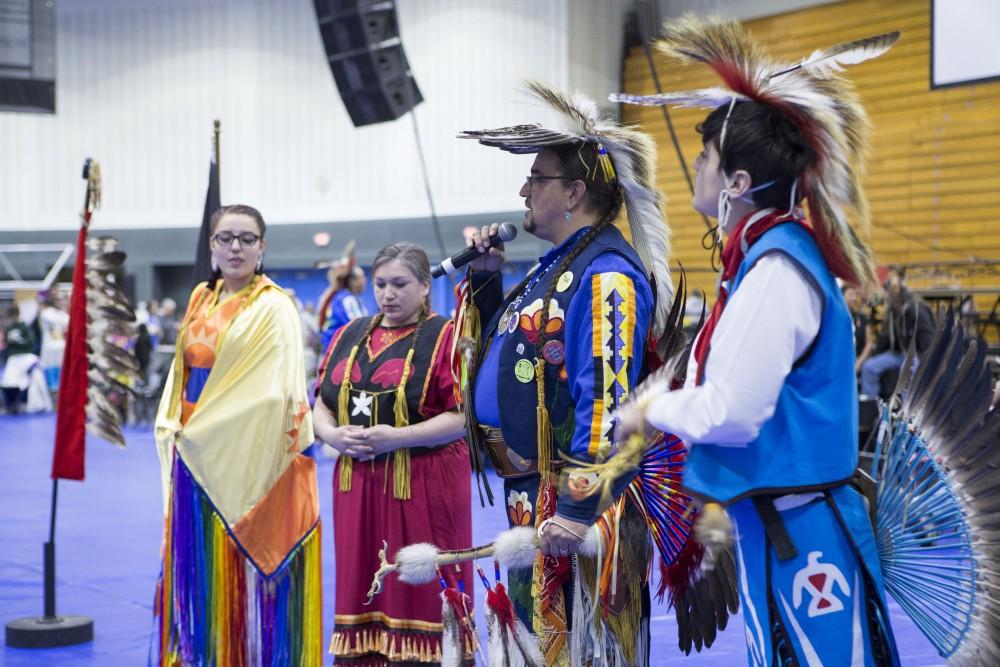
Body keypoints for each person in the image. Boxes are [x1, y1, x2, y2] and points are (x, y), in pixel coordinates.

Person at [612, 17, 900, 665]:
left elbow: (733, 413)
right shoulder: (761, 262)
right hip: (781, 527)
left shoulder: (775, 269)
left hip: (803, 531)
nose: (696, 166)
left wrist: (647, 410)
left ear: (738, 183)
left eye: (706, 157)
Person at [458, 82, 671, 665]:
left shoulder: (606, 275)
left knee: (575, 650)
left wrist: (579, 508)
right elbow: (515, 357)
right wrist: (485, 281)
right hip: (533, 497)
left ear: (575, 191)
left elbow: (607, 401)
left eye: (538, 178)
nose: (523, 189)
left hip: (573, 509)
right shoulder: (558, 269)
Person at [153, 204, 321, 664]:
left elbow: (278, 395)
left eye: (247, 238)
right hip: (192, 450)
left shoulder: (275, 307)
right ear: (211, 246)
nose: (235, 247)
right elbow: (181, 371)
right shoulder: (199, 299)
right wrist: (176, 426)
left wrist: (205, 434)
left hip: (240, 455)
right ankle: (198, 653)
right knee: (198, 572)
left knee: (242, 575)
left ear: (262, 247)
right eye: (226, 238)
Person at [313, 242, 472, 665]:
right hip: (358, 484)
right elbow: (321, 402)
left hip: (425, 481)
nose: (388, 294)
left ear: (424, 286)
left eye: (400, 284)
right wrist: (331, 435)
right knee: (364, 581)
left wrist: (398, 438)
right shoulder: (350, 334)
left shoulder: (445, 335)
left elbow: (461, 417)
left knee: (421, 587)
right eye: (381, 284)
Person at [860, 268, 934, 398]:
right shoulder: (893, 312)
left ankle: (906, 413)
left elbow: (927, 338)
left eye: (891, 292)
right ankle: (873, 410)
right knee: (869, 367)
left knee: (907, 369)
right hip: (899, 354)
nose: (887, 296)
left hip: (918, 354)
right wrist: (875, 354)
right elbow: (886, 338)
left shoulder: (916, 309)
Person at [319, 258, 369, 353]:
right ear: (353, 281)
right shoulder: (347, 300)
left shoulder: (344, 297)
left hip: (338, 351)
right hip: (339, 353)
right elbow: (360, 326)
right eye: (362, 277)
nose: (365, 280)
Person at [1, 305, 38, 414]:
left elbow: (31, 343)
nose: (10, 319)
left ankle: (23, 403)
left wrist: (18, 342)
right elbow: (7, 345)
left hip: (26, 357)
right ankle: (10, 405)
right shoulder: (8, 329)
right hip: (13, 359)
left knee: (25, 381)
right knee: (8, 381)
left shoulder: (25, 327)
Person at [38, 291, 69, 393]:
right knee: (54, 378)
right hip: (54, 348)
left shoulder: (59, 314)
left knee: (57, 378)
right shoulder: (48, 313)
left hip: (56, 348)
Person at [843, 284, 874, 377]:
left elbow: (869, 344)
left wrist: (858, 363)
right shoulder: (837, 318)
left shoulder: (862, 317)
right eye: (851, 295)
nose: (854, 298)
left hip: (859, 359)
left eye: (855, 295)